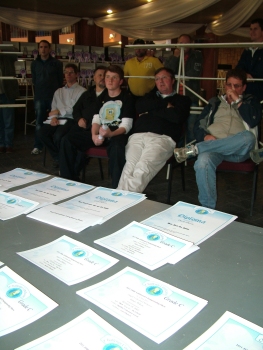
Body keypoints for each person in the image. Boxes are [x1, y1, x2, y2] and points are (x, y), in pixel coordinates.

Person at [174, 68, 262, 209]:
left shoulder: (251, 101)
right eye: (229, 85)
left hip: (238, 150)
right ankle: (207, 209)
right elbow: (199, 124)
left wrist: (238, 101)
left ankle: (196, 149)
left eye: (236, 86)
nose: (231, 89)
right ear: (224, 84)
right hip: (214, 146)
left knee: (248, 137)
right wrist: (204, 136)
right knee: (202, 162)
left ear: (244, 87)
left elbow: (253, 120)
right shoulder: (215, 102)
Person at [117, 67, 191, 193]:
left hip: (162, 139)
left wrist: (150, 111)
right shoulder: (148, 97)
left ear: (173, 80)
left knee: (143, 167)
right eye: (157, 79)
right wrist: (164, 106)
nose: (160, 81)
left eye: (164, 78)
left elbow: (177, 117)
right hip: (138, 136)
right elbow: (139, 107)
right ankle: (121, 199)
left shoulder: (183, 100)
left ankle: (121, 199)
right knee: (129, 167)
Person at [59, 65, 135, 187]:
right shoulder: (101, 97)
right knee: (67, 140)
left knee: (117, 148)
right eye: (108, 77)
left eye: (114, 78)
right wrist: (94, 135)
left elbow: (126, 126)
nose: (110, 80)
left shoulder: (127, 98)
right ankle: (67, 180)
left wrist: (110, 134)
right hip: (99, 133)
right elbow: (96, 120)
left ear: (120, 81)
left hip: (116, 134)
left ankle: (117, 188)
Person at [36, 63, 86, 168]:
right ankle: (58, 157)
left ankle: (62, 159)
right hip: (58, 119)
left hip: (72, 120)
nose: (68, 74)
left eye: (71, 72)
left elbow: (75, 110)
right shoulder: (58, 91)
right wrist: (54, 117)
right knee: (41, 133)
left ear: (76, 74)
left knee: (59, 135)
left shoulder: (82, 91)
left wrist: (58, 111)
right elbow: (53, 108)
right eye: (66, 72)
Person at [165, 34, 203, 143]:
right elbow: (168, 73)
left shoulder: (197, 55)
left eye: (186, 43)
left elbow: (194, 73)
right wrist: (176, 58)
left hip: (191, 98)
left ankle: (190, 155)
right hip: (175, 98)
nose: (183, 46)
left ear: (191, 44)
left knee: (191, 127)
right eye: (181, 43)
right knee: (176, 127)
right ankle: (179, 153)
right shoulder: (172, 57)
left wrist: (177, 76)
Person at [31, 40, 63, 155]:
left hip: (53, 97)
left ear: (49, 49)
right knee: (39, 122)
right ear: (38, 49)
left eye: (45, 47)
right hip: (40, 96)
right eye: (41, 47)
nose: (43, 49)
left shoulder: (57, 63)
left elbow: (60, 81)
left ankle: (54, 146)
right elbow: (34, 80)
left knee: (54, 121)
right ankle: (38, 146)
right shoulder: (34, 64)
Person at [236, 18, 263, 102]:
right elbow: (238, 67)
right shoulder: (247, 51)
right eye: (251, 29)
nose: (252, 32)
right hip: (246, 94)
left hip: (260, 92)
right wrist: (244, 74)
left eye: (255, 29)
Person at [0, 48, 19, 153]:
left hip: (7, 94)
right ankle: (1, 144)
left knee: (8, 121)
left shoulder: (7, 55)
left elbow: (16, 51)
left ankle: (8, 144)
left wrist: (4, 46)